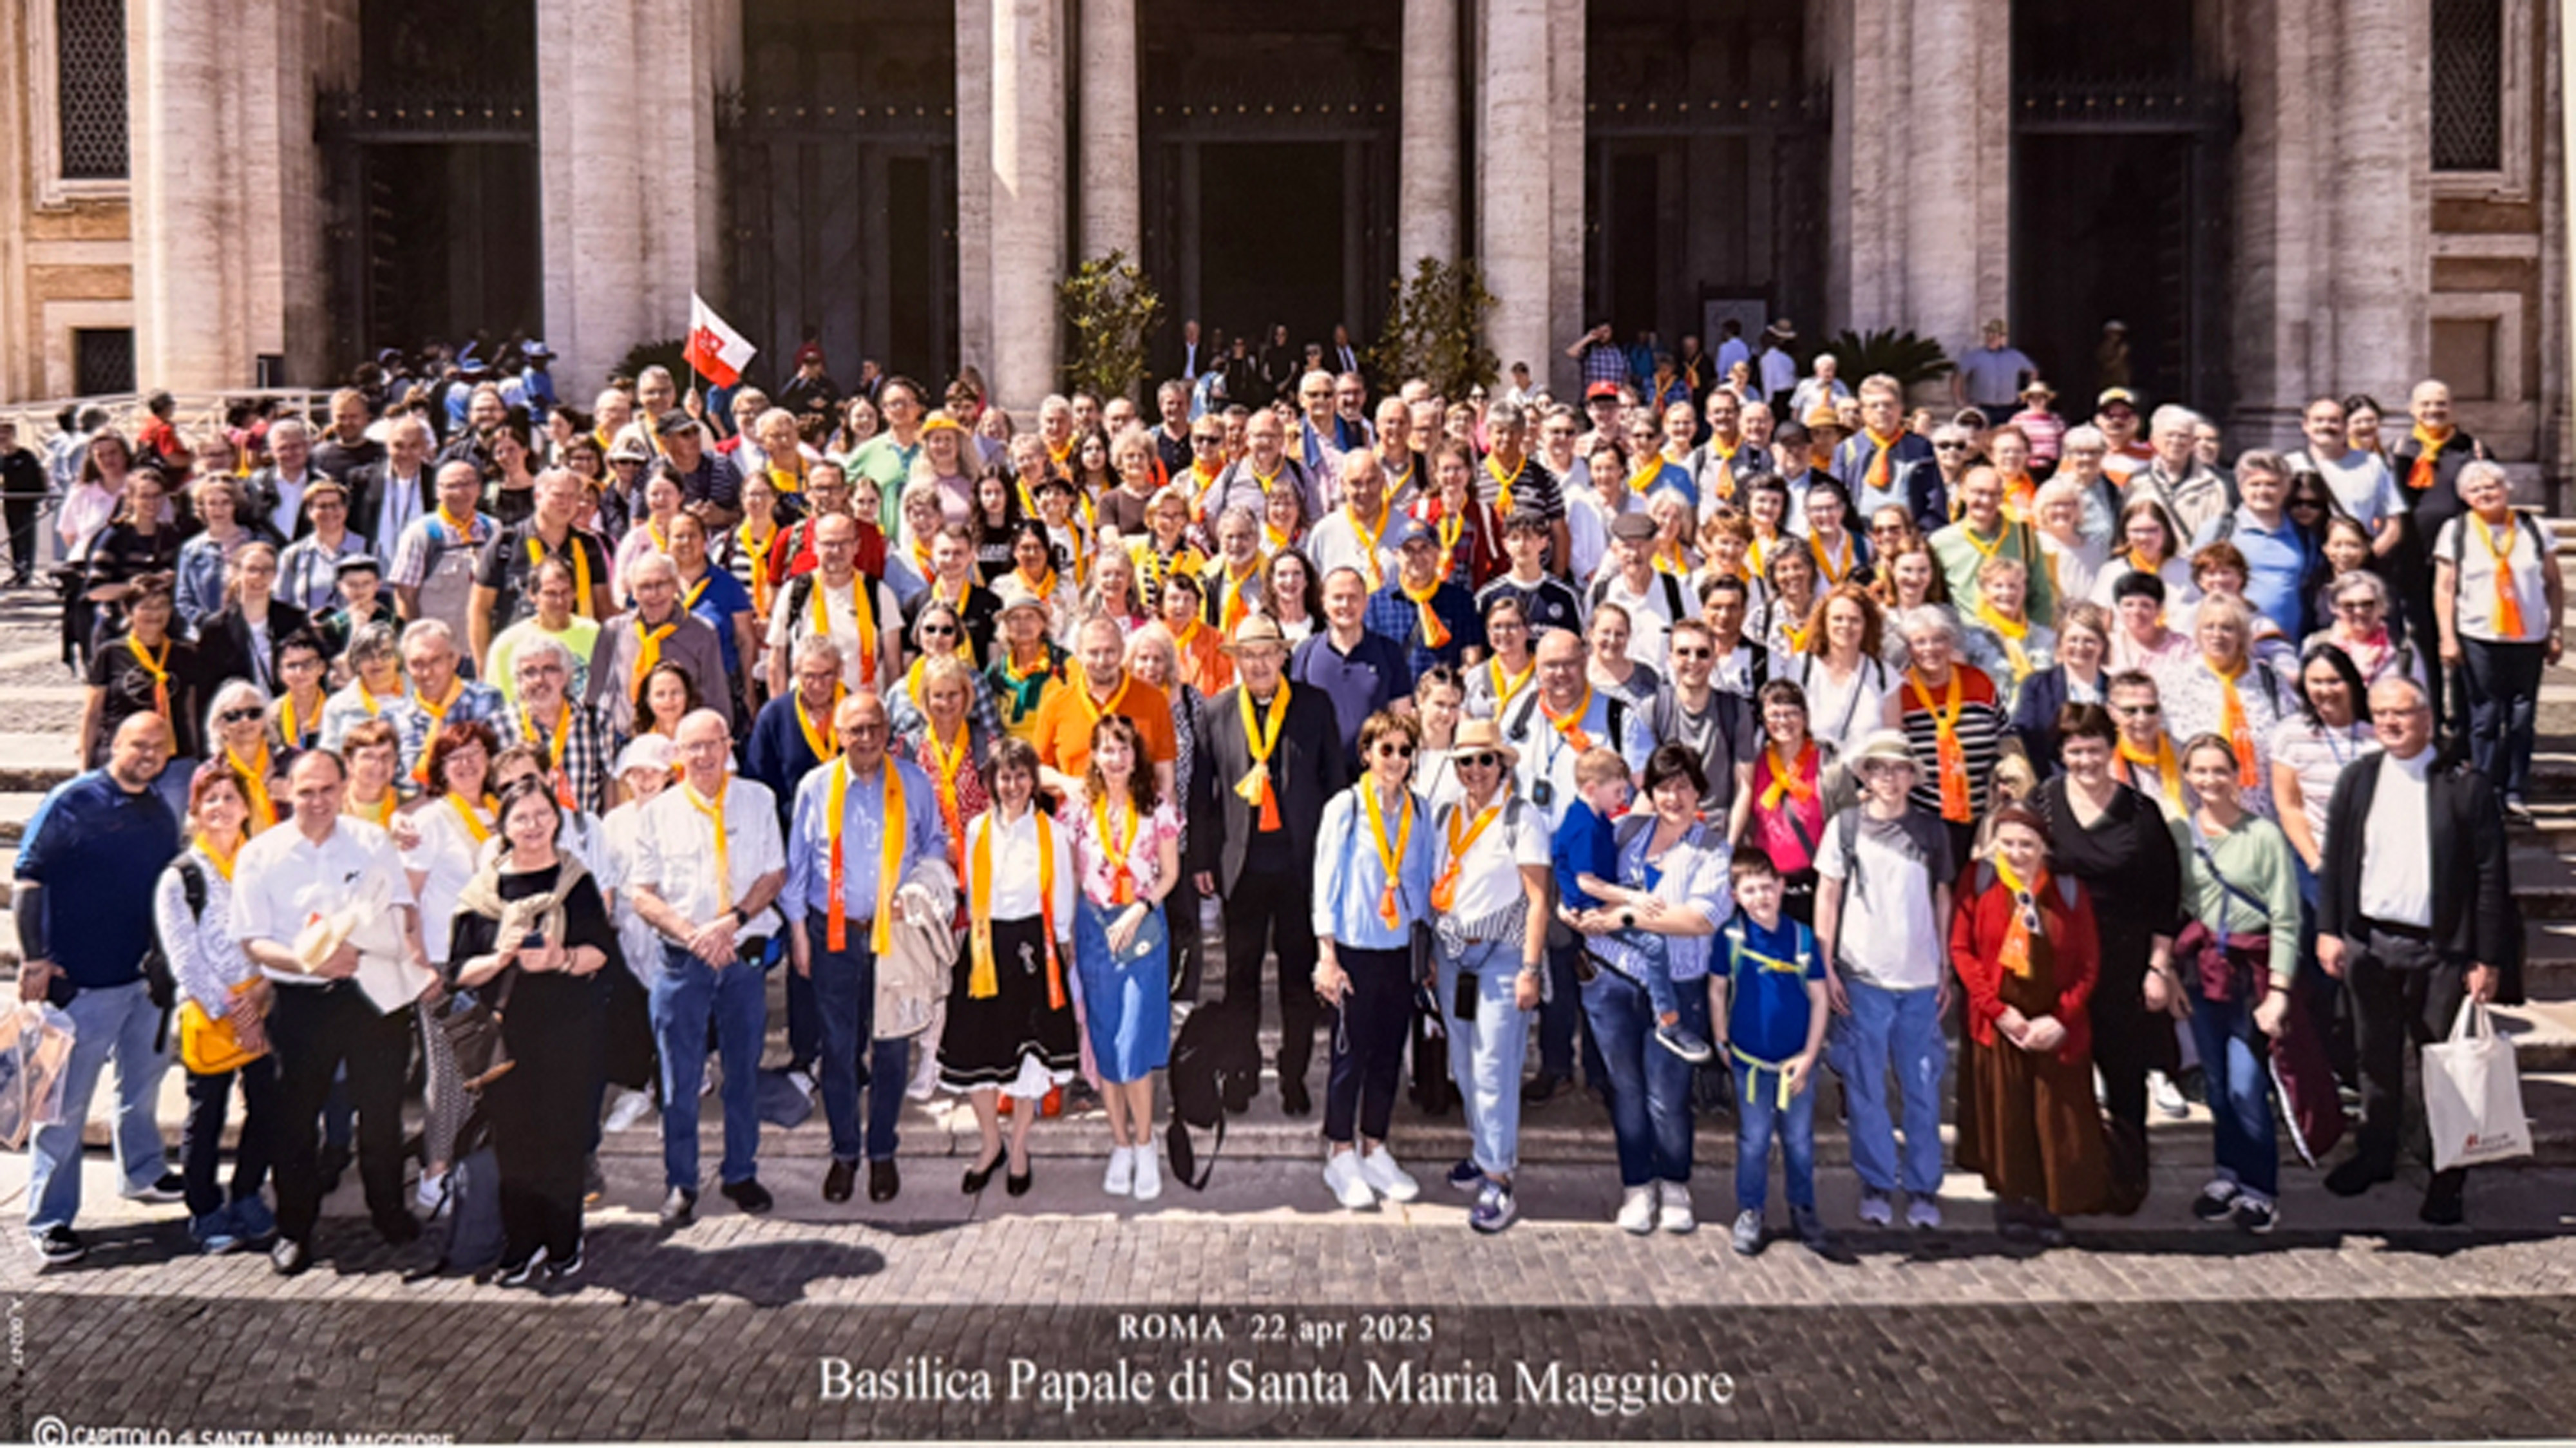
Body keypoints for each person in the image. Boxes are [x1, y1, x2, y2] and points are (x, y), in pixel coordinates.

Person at [2316, 676, 2514, 1226]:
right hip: (2372, 943)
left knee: (2445, 1069)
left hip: (2441, 951)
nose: (2390, 723)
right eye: (2380, 713)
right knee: (2374, 1059)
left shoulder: (2464, 786)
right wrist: (2330, 928)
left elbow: (2491, 877)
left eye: (2401, 713)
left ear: (2427, 718)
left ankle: (2446, 1176)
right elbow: (2338, 859)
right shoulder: (2359, 778)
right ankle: (2376, 1153)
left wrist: (2487, 958)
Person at [230, 748, 436, 1275]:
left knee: (381, 1113)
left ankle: (388, 1211)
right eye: (306, 791)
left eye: (327, 789)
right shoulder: (261, 854)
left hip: (371, 993)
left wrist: (386, 943)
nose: (318, 801)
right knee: (295, 1121)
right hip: (300, 1001)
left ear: (344, 788)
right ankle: (295, 1229)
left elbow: (400, 905)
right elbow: (253, 940)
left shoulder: (371, 841)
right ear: (286, 792)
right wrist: (309, 959)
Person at [17, 714, 185, 1265]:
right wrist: (34, 958)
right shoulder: (71, 801)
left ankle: (142, 1172)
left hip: (143, 982)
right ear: (115, 743)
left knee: (142, 1086)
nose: (149, 754)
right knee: (62, 1109)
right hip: (82, 985)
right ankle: (49, 1217)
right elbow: (28, 878)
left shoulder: (159, 809)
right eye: (139, 744)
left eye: (159, 747)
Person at [444, 776, 618, 1284]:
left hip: (567, 1028)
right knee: (515, 1142)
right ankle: (521, 1242)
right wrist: (498, 959)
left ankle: (563, 1240)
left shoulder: (574, 881)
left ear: (557, 819)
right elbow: (459, 969)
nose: (533, 825)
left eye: (543, 814)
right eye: (521, 817)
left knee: (562, 1138)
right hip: (504, 1033)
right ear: (504, 826)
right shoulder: (483, 891)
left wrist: (561, 959)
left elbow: (601, 953)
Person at [626, 710, 789, 1227]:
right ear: (677, 754)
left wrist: (731, 922)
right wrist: (693, 934)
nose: (702, 756)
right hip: (682, 962)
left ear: (728, 746)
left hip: (740, 958)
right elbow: (641, 894)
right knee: (679, 1081)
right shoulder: (657, 813)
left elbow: (775, 873)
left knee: (742, 1075)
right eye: (691, 747)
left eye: (711, 744)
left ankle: (740, 1172)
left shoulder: (758, 800)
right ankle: (681, 1181)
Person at [1564, 743, 1732, 1235]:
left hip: (1676, 986)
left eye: (1683, 786)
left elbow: (1700, 919)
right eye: (1663, 787)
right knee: (1627, 1091)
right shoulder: (1625, 831)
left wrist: (1626, 916)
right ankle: (1637, 1184)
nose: (1673, 797)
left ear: (1699, 791)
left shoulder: (1711, 849)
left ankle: (1675, 1183)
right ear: (1650, 792)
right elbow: (1577, 873)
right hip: (1612, 980)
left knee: (1667, 1095)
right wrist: (1568, 910)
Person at [786, 691, 946, 1206]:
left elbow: (936, 843)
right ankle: (844, 1153)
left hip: (895, 937)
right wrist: (797, 934)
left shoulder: (914, 782)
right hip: (833, 934)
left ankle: (881, 1152)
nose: (866, 738)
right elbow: (797, 865)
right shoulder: (815, 787)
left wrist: (916, 889)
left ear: (888, 731)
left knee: (892, 1047)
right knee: (839, 1049)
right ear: (839, 735)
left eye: (875, 727)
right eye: (855, 729)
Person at [1190, 614, 1348, 1113]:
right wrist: (1202, 859)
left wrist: (1336, 857)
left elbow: (1335, 783)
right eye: (1248, 655)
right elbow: (1202, 795)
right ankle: (1241, 1069)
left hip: (1299, 867)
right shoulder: (1217, 711)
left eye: (1266, 654)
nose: (1258, 664)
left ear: (1283, 656)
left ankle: (1293, 1074)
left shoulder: (1313, 705)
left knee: (1298, 982)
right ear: (1236, 661)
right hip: (1242, 867)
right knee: (1241, 980)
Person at [2032, 702, 2184, 1206]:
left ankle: (2125, 1181)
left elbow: (2165, 898)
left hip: (2123, 965)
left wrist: (2158, 966)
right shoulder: (2044, 804)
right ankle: (2066, 1178)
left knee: (2124, 1077)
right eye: (2075, 752)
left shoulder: (2141, 813)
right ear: (2061, 754)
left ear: (2111, 749)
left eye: (2095, 750)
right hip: (2059, 966)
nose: (2086, 761)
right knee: (2061, 1077)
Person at [1951, 806, 2117, 1244]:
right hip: (2001, 1022)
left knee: (2054, 1116)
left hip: (2052, 1022)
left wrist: (2060, 1019)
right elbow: (1962, 951)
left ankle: (2050, 1201)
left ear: (2044, 847)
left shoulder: (2067, 891)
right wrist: (1998, 1011)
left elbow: (2088, 963)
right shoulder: (1979, 881)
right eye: (2007, 843)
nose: (2016, 853)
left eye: (2026, 845)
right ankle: (2012, 1200)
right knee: (2006, 1116)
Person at [1810, 729, 1955, 1229]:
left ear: (1913, 776)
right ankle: (1876, 1180)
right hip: (1862, 976)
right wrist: (1826, 964)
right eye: (1879, 768)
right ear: (1865, 776)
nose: (1889, 778)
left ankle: (1923, 1187)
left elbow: (1942, 898)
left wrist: (1945, 964)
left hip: (1919, 981)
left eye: (1899, 768)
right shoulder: (1845, 827)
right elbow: (1828, 895)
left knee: (1922, 1087)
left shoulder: (1932, 831)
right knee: (1866, 1087)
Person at [2172, 732, 2302, 1234]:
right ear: (2188, 777)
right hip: (2204, 972)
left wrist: (2280, 992)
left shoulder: (2264, 836)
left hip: (2252, 976)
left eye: (2219, 771)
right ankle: (2227, 1174)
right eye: (2200, 771)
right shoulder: (2182, 835)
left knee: (2247, 1085)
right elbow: (2178, 905)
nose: (2210, 781)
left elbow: (2286, 916)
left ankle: (2260, 1188)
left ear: (2237, 775)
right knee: (2217, 1085)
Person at [1423, 717, 1551, 1232]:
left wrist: (1530, 969)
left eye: (1484, 760)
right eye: (1465, 761)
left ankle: (1499, 1178)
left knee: (1495, 1067)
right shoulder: (1445, 814)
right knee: (1465, 1065)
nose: (1475, 769)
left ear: (1501, 765)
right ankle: (1483, 1151)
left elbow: (1538, 899)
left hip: (1503, 955)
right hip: (1454, 955)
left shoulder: (1522, 817)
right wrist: (1434, 954)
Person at [940, 736, 1079, 1194]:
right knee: (975, 1051)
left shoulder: (1052, 832)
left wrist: (1061, 942)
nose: (1013, 785)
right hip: (985, 946)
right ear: (992, 782)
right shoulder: (978, 829)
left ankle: (1019, 1147)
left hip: (1031, 948)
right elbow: (973, 889)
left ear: (1033, 781)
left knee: (1029, 1057)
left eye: (1021, 776)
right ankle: (990, 1144)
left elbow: (1062, 893)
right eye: (1005, 776)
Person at [1311, 710, 1438, 1210]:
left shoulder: (1420, 811)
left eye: (1405, 751)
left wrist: (1427, 952)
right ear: (1366, 754)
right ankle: (1340, 1151)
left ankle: (1375, 1145)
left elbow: (1423, 884)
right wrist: (1327, 955)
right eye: (1386, 750)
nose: (1396, 759)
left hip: (1400, 950)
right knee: (1351, 1055)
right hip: (1355, 949)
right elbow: (1326, 883)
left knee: (1388, 1054)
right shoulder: (1345, 807)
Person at [1068, 714, 1180, 1201]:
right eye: (1108, 749)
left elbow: (1170, 874)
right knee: (1107, 1043)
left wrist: (1139, 909)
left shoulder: (1157, 808)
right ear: (1094, 755)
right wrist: (1067, 932)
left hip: (1142, 929)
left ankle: (1146, 1142)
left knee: (1134, 1041)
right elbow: (1073, 876)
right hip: (1095, 929)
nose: (1116, 758)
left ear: (1137, 756)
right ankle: (1120, 1143)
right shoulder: (1078, 812)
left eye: (1124, 749)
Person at [1715, 851, 1833, 1257]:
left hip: (1796, 1063)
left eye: (1767, 887)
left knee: (1799, 1140)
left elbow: (1819, 999)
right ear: (1735, 896)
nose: (1761, 897)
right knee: (1754, 1140)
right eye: (1750, 890)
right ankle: (1751, 1210)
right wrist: (1721, 1039)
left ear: (1782, 887)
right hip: (1750, 1061)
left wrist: (1810, 1056)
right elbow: (1717, 989)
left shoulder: (1802, 939)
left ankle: (1803, 1207)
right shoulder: (1731, 937)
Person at [2433, 459, 2562, 823]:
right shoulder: (2456, 530)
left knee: (2521, 718)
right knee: (2485, 716)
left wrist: (2555, 630)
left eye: (2492, 486)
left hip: (2527, 636)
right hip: (2479, 634)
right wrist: (2447, 637)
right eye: (2476, 489)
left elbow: (2554, 583)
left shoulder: (2533, 528)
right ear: (2465, 497)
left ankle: (2516, 790)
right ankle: (2485, 789)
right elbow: (2445, 588)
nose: (2485, 493)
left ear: (2506, 490)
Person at [1886, 605, 2012, 859]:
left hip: (1981, 819)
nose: (1930, 649)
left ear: (1951, 642)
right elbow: (1894, 752)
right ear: (1909, 649)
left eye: (1938, 640)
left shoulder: (1979, 681)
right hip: (1924, 819)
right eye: (1920, 642)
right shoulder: (1898, 690)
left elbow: (2006, 735)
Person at [2157, 595, 2286, 819]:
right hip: (2200, 816)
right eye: (2209, 627)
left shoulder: (2270, 680)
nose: (2217, 635)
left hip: (2262, 814)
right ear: (2198, 633)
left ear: (2242, 635)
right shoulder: (2176, 680)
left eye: (2227, 628)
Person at [587, 554, 732, 739]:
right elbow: (594, 694)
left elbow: (717, 701)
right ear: (633, 592)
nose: (654, 594)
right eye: (645, 587)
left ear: (675, 586)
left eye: (662, 584)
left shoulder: (702, 633)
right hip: (622, 741)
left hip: (681, 742)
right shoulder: (614, 630)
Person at [769, 511, 903, 699]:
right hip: (806, 707)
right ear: (815, 546)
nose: (836, 551)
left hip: (861, 707)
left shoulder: (879, 594)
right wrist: (780, 711)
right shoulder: (794, 592)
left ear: (857, 546)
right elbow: (777, 661)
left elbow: (893, 664)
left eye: (844, 543)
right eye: (829, 544)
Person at [83, 572, 198, 781]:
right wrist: (85, 763)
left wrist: (196, 755)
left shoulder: (185, 654)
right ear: (128, 611)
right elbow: (93, 714)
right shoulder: (110, 653)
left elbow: (190, 711)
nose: (154, 614)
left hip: (174, 760)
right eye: (146, 607)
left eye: (161, 606)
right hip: (122, 758)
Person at [389, 619, 509, 782]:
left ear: (454, 660)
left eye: (435, 661)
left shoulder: (485, 700)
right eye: (417, 664)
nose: (427, 673)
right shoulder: (394, 715)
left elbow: (503, 765)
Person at [2008, 601, 2113, 772]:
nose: (2080, 647)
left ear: (2102, 645)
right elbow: (2024, 737)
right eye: (2073, 640)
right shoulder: (2037, 686)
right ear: (2060, 643)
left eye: (2089, 641)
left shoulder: (2115, 689)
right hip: (2051, 779)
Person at [1960, 555, 2054, 709]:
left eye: (2013, 586)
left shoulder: (2045, 638)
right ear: (1984, 592)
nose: (2007, 592)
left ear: (2024, 590)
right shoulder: (1970, 639)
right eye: (1998, 586)